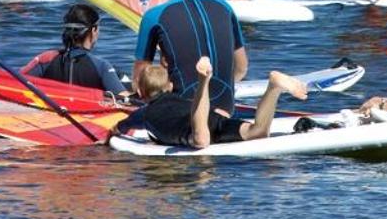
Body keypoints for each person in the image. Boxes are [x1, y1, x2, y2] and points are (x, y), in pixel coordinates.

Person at [133, 0, 247, 116]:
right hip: (225, 108)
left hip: (184, 115)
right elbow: (242, 68)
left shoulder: (154, 16)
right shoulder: (225, 7)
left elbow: (139, 81)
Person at [116, 56, 308, 149]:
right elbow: (201, 108)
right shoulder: (182, 99)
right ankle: (273, 87)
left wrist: (109, 137)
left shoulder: (144, 113)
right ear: (171, 86)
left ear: (141, 93)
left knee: (201, 139)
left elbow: (120, 128)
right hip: (211, 118)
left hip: (193, 128)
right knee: (258, 132)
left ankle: (204, 80)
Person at [21, 2, 126, 95]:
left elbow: (17, 81)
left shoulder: (45, 59)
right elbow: (123, 98)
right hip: (86, 115)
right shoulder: (101, 66)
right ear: (93, 30)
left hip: (54, 113)